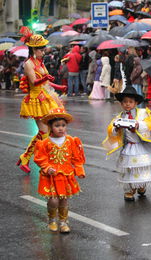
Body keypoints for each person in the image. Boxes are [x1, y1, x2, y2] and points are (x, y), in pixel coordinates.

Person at [102, 86, 151, 201]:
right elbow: (110, 129)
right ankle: (130, 189)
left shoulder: (143, 113)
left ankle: (141, 185)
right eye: (125, 102)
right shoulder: (120, 117)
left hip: (141, 145)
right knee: (130, 169)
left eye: (130, 102)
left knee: (142, 166)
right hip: (129, 147)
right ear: (121, 103)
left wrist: (138, 126)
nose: (127, 104)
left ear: (136, 103)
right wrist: (116, 129)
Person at [17, 27, 67, 174]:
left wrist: (59, 86)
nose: (43, 52)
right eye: (41, 49)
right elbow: (34, 81)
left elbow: (47, 82)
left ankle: (26, 157)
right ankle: (42, 162)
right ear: (33, 49)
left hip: (46, 97)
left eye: (44, 49)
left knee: (46, 131)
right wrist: (45, 78)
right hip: (35, 100)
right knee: (44, 133)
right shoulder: (28, 64)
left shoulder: (40, 62)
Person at [34, 107, 86, 233]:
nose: (61, 128)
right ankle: (52, 219)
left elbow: (76, 157)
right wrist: (47, 167)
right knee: (53, 200)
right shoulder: (44, 143)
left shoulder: (71, 141)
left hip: (66, 174)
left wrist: (79, 170)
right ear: (51, 127)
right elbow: (40, 158)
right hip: (51, 176)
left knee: (63, 200)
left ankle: (63, 222)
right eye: (57, 125)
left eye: (63, 125)